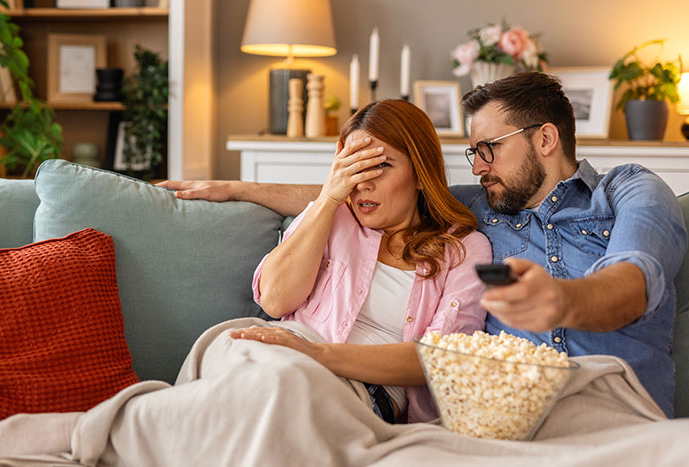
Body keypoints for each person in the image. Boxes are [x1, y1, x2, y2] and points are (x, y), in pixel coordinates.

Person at [158, 72, 687, 418]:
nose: (477, 166)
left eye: (489, 150)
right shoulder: (484, 203)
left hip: (616, 405)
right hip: (519, 420)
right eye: (471, 151)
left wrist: (562, 302)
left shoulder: (628, 190)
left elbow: (634, 279)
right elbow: (375, 190)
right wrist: (238, 189)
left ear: (545, 140)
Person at [227, 99, 491, 424]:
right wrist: (327, 198)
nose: (362, 182)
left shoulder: (463, 248)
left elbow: (439, 359)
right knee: (220, 366)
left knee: (278, 403)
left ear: (421, 174)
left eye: (380, 165)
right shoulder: (333, 214)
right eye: (354, 165)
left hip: (358, 386)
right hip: (277, 354)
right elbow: (275, 300)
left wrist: (319, 355)